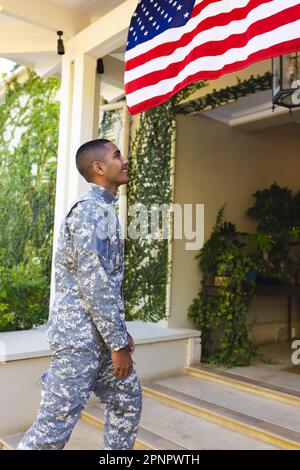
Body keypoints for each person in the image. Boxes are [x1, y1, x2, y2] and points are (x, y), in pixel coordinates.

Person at [18, 139, 142, 450]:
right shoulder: (90, 212)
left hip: (99, 336)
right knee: (52, 430)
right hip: (79, 342)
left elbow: (105, 284)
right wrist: (117, 343)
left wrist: (118, 334)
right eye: (117, 155)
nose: (124, 160)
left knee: (127, 399)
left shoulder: (104, 209)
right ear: (99, 168)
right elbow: (94, 283)